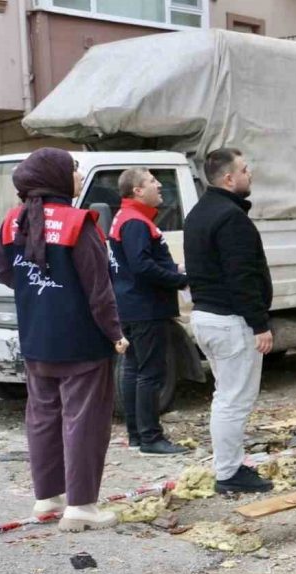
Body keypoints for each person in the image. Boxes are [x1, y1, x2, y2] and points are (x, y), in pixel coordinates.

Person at [0, 148, 129, 532]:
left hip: (36, 336)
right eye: (74, 169)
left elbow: (4, 272)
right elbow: (99, 291)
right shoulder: (78, 222)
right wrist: (116, 334)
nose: (80, 176)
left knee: (42, 417)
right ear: (55, 177)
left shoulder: (11, 222)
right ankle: (82, 506)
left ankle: (47, 500)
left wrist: (40, 292)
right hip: (82, 342)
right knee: (83, 421)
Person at [183, 148, 274, 493]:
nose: (250, 175)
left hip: (207, 316)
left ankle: (230, 462)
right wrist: (260, 324)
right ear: (228, 179)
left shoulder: (198, 213)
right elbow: (242, 276)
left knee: (226, 397)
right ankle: (229, 473)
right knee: (234, 400)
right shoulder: (231, 217)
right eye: (245, 170)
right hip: (230, 321)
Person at [108, 167, 189, 456]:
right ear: (137, 191)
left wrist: (173, 269)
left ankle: (137, 434)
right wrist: (180, 279)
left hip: (130, 305)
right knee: (150, 373)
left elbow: (136, 263)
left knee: (134, 369)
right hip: (145, 307)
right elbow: (141, 266)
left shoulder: (127, 217)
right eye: (153, 182)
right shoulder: (135, 222)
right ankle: (151, 437)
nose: (160, 186)